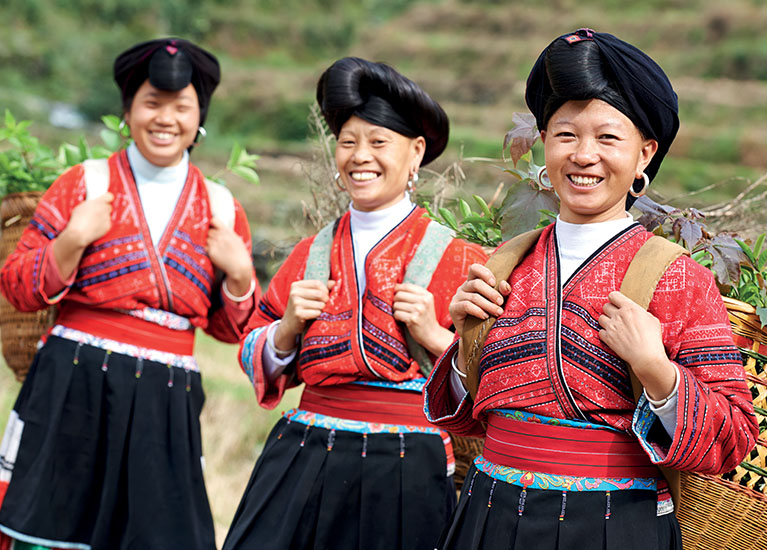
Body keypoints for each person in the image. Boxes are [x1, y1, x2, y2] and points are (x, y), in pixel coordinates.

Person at [424, 29, 758, 549]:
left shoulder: (678, 278)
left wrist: (658, 372)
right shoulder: (505, 265)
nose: (584, 155)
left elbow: (733, 439)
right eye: (565, 135)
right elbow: (466, 419)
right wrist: (467, 344)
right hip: (490, 517)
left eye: (608, 138)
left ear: (645, 154)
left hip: (615, 527)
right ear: (543, 145)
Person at [0, 38, 257, 550]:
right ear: (127, 112)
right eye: (152, 104)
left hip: (164, 399)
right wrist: (71, 240)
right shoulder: (83, 185)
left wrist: (241, 278)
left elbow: (234, 332)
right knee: (50, 534)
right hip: (72, 389)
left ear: (198, 118)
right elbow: (17, 287)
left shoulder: (221, 207)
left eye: (181, 107)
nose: (166, 119)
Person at [223, 57, 487, 550]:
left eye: (378, 141)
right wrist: (284, 330)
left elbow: (496, 380)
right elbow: (252, 348)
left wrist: (434, 336)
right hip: (305, 452)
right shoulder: (309, 254)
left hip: (409, 465)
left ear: (416, 153)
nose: (360, 156)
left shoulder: (461, 259)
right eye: (348, 142)